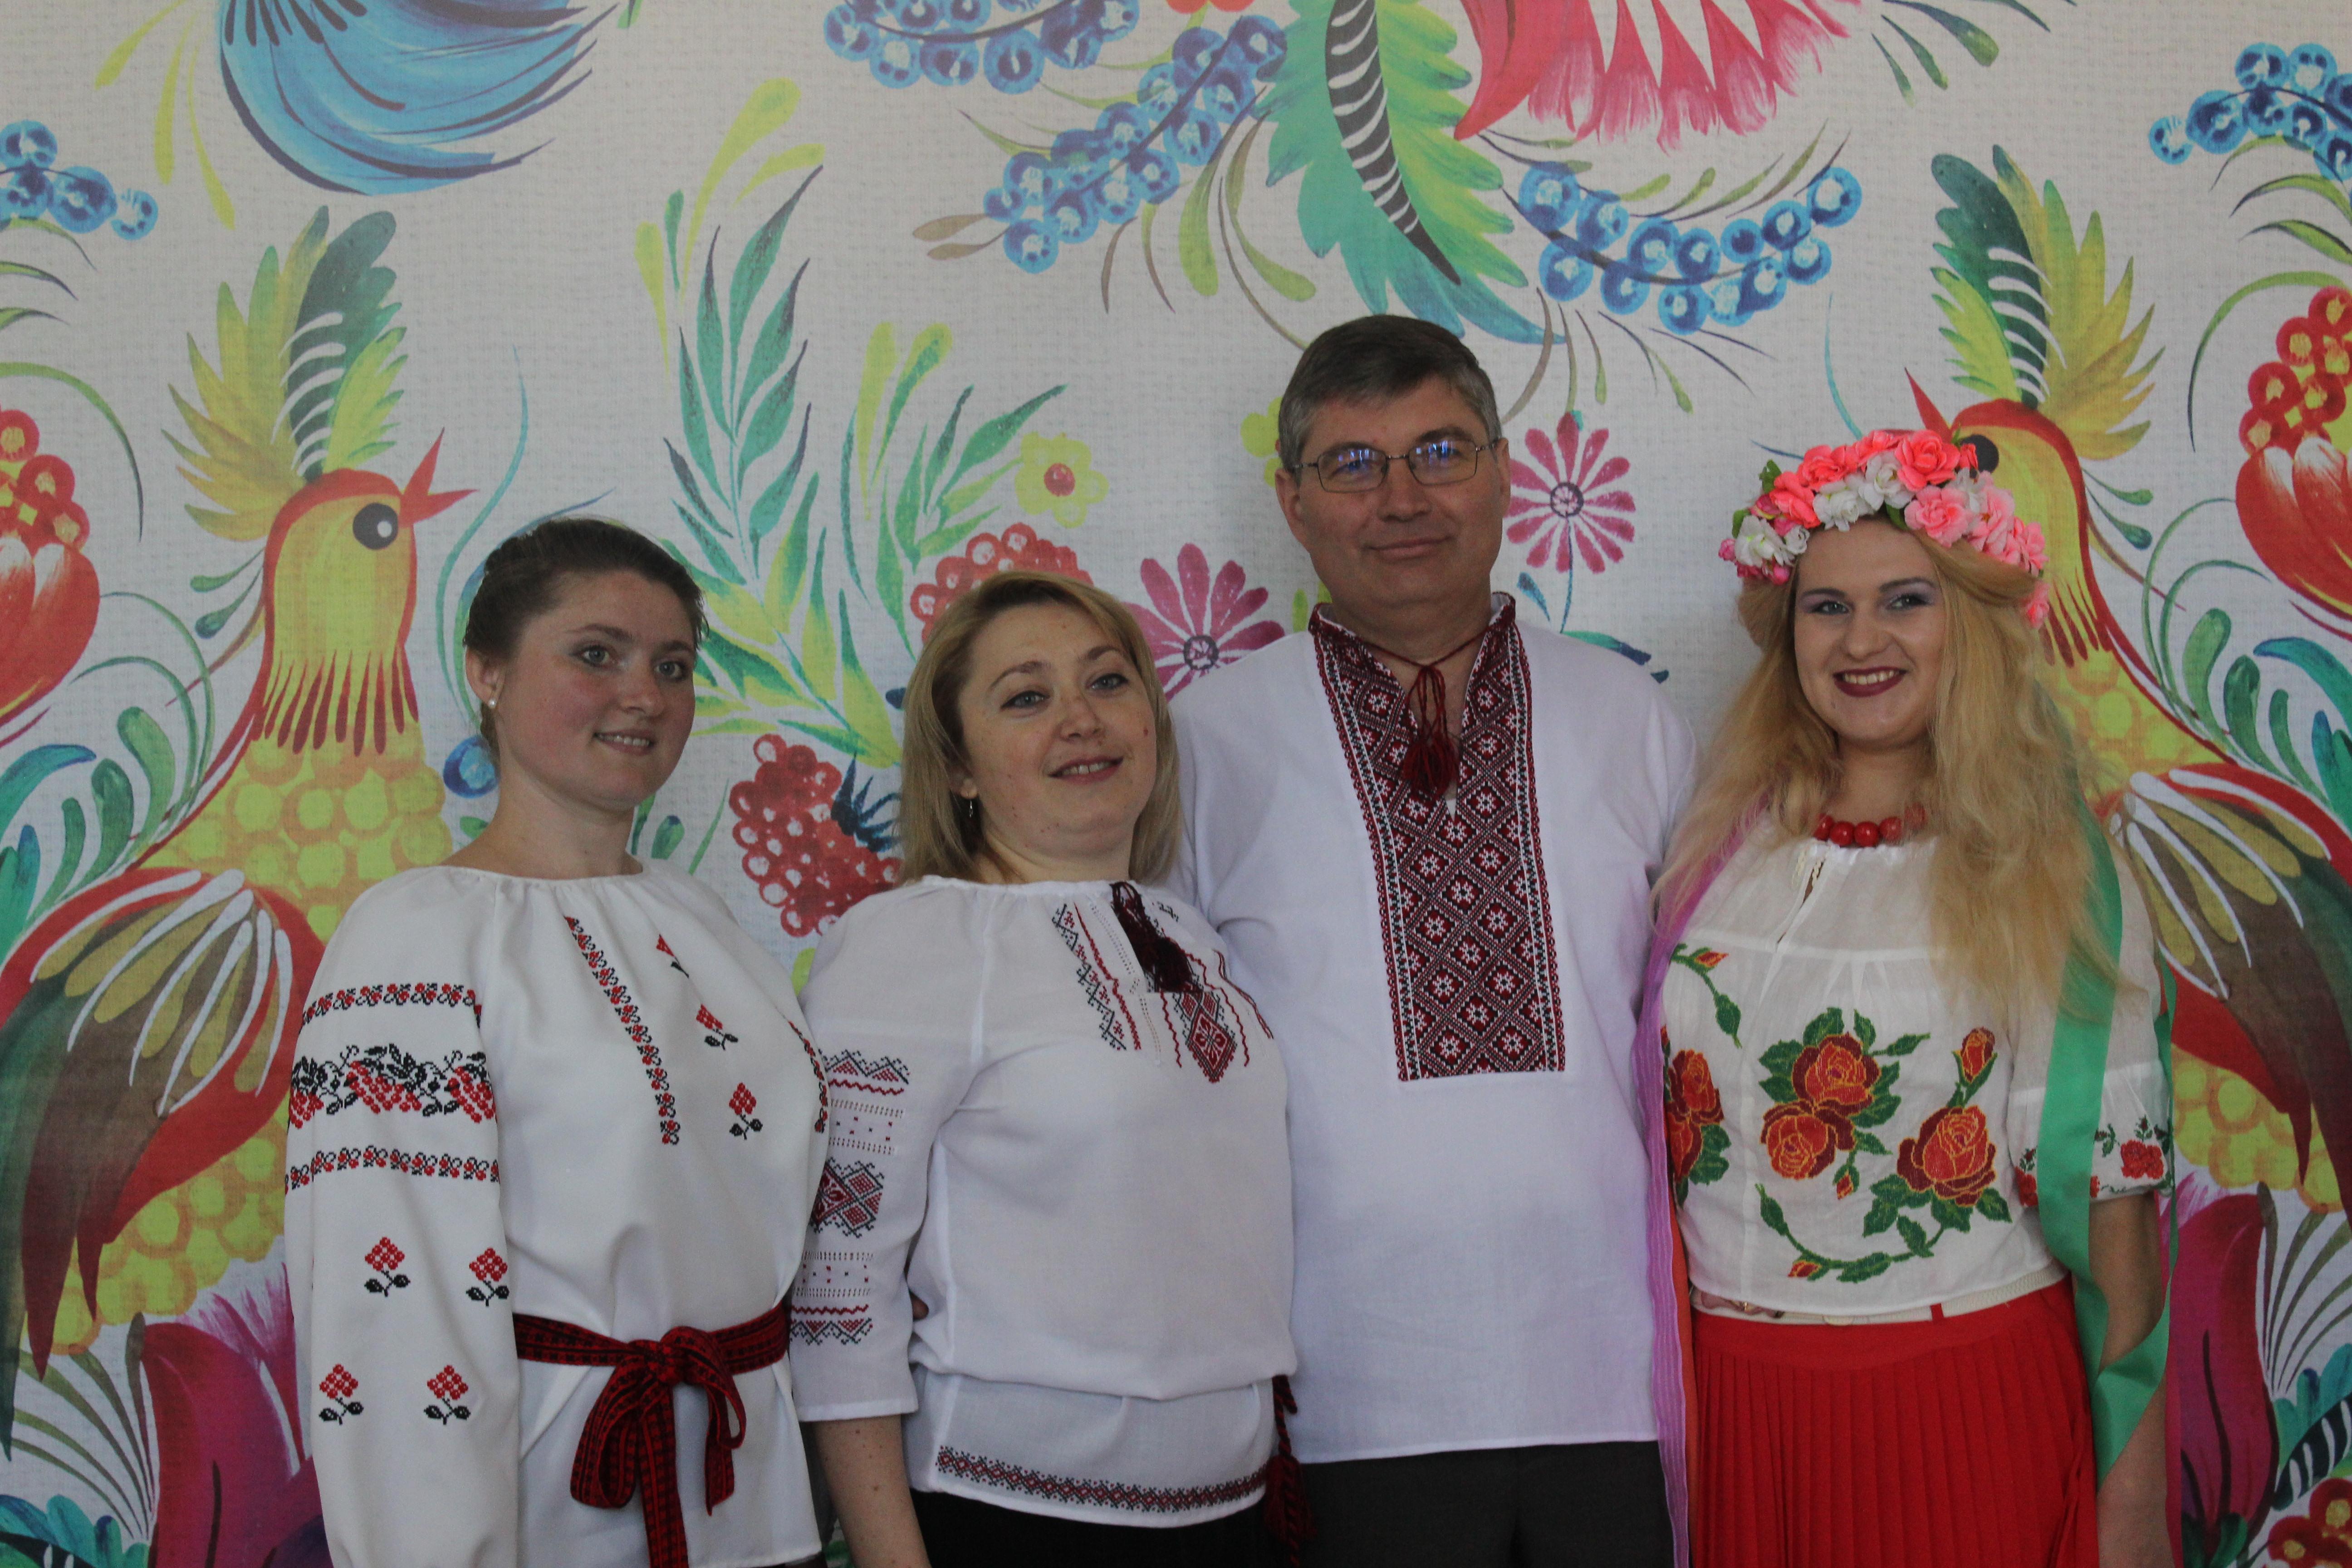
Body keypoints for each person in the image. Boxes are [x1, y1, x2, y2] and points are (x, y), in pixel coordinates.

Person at [1169, 315, 1694, 1566]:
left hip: (1615, 1371)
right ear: (1293, 504)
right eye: (1353, 465)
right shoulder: (1203, 744)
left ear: (1506, 473)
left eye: (1441, 452)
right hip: (1341, 1381)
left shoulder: (1631, 718)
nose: (1402, 498)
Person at [1655, 429, 2171, 1567]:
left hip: (1958, 1405)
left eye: (1906, 600)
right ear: (1787, 634)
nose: (1863, 640)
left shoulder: (2050, 868)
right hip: (1739, 1410)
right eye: (1826, 608)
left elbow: (2113, 1205)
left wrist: (2132, 1496)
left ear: (1970, 623)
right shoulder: (1714, 855)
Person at [284, 518, 830, 1568]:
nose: (645, 695)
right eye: (596, 654)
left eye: (673, 666)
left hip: (747, 1495)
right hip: (552, 1504)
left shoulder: (704, 922)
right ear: (487, 673)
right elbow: (391, 1305)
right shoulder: (414, 938)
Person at [793, 571, 1295, 1568]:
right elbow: (837, 1289)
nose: (1081, 719)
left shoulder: (1192, 936)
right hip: (1008, 1515)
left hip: (1236, 1513)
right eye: (1026, 698)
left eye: (1108, 681)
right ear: (960, 767)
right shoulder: (913, 945)